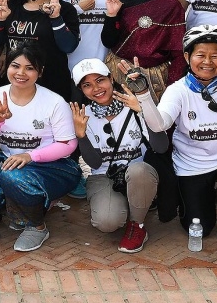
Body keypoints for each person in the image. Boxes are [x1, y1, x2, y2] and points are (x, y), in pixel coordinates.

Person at [142, 25, 217, 243]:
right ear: (188, 57)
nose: (207, 61)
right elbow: (160, 124)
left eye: (214, 55)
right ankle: (204, 197)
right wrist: (143, 95)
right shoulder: (177, 90)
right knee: (197, 226)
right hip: (192, 164)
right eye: (200, 55)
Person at [0, 45, 79, 251]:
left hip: (53, 167)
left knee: (12, 177)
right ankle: (26, 204)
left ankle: (37, 226)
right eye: (15, 66)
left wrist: (30, 155)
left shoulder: (53, 102)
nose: (21, 73)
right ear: (7, 67)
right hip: (9, 165)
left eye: (29, 68)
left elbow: (68, 145)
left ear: (40, 72)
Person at [69, 58, 161, 252]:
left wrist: (143, 111)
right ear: (81, 90)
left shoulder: (133, 105)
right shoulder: (84, 116)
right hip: (104, 176)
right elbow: (93, 162)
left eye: (100, 80)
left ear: (111, 78)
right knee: (107, 222)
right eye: (87, 85)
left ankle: (137, 225)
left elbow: (160, 146)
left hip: (137, 174)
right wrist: (81, 135)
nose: (96, 88)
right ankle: (135, 203)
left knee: (139, 171)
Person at [101, 0, 188, 95]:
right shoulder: (120, 1)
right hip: (120, 73)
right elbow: (108, 42)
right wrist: (111, 15)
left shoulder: (170, 5)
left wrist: (173, 86)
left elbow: (178, 51)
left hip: (155, 78)